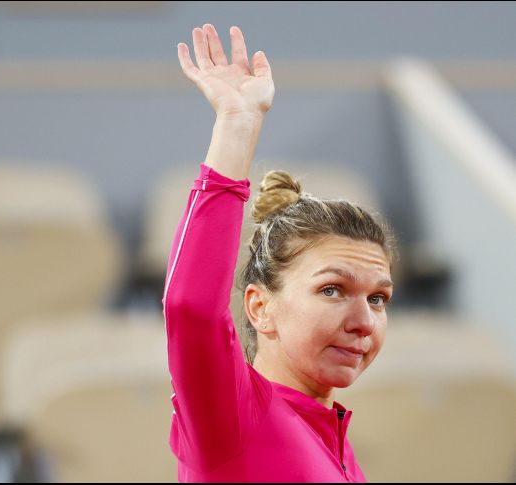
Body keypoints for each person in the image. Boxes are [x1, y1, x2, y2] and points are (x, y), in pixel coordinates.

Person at [164, 24, 397, 482]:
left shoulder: (335, 442)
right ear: (259, 307)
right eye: (332, 289)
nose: (364, 322)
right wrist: (238, 122)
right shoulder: (232, 420)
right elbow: (190, 307)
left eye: (377, 298)